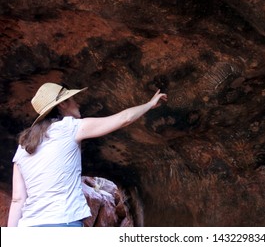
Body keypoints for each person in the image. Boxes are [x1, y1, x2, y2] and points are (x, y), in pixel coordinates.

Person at [7, 82, 167, 227]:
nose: (78, 103)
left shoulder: (23, 146)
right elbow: (124, 118)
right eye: (73, 99)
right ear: (63, 104)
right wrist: (149, 104)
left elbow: (17, 199)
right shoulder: (69, 128)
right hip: (64, 223)